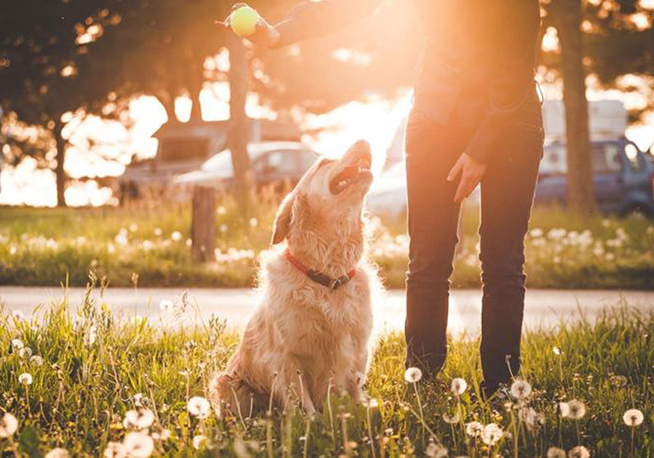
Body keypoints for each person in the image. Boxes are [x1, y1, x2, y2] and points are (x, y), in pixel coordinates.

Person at [224, 0, 544, 397]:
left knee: (502, 260)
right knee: (428, 258)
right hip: (437, 114)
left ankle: (501, 387)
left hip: (510, 118)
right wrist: (281, 32)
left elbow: (515, 62)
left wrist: (480, 148)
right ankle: (423, 382)